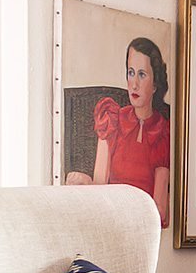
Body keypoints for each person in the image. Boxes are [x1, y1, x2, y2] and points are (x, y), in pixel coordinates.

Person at [66, 37, 170, 228]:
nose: (134, 84)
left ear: (155, 84)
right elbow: (99, 188)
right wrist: (86, 184)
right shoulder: (111, 118)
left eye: (142, 74)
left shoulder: (163, 132)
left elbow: (160, 211)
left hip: (140, 231)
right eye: (131, 73)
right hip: (110, 225)